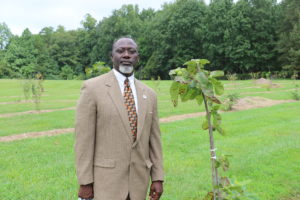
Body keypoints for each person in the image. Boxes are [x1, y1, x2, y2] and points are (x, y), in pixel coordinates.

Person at [75, 37, 164, 200]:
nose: (126, 55)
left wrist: (157, 177)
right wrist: (85, 181)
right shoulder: (92, 89)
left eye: (131, 51)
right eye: (120, 51)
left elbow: (154, 140)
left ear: (138, 57)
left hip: (139, 183)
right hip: (105, 183)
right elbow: (83, 141)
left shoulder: (149, 94)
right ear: (112, 56)